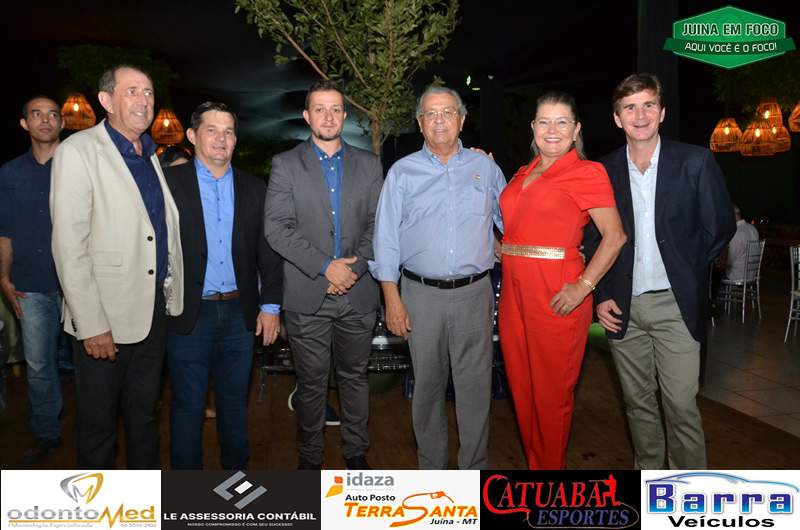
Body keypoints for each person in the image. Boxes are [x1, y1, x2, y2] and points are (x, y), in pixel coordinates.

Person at [583, 73, 735, 469]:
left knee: (681, 404)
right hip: (623, 308)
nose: (640, 115)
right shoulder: (602, 171)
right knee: (637, 404)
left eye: (648, 105)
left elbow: (720, 226)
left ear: (662, 112)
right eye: (630, 107)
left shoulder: (695, 161)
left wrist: (688, 269)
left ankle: (688, 489)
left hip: (676, 306)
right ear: (617, 118)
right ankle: (649, 480)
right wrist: (602, 295)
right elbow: (593, 240)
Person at [50, 64, 184, 469]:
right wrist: (92, 325)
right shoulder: (78, 151)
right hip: (104, 319)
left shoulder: (149, 154)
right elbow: (69, 246)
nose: (144, 100)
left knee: (145, 418)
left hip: (151, 313)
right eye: (132, 91)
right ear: (106, 100)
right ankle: (100, 502)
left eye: (148, 92)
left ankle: (145, 499)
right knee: (99, 428)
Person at [371, 85, 506, 470]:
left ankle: (473, 471)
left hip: (474, 295)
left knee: (475, 389)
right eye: (431, 114)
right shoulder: (402, 173)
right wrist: (392, 297)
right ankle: (432, 474)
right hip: (420, 296)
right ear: (420, 123)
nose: (440, 120)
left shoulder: (485, 168)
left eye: (448, 112)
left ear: (462, 119)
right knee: (427, 389)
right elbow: (385, 238)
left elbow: (513, 220)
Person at [498, 91, 626, 470]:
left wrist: (584, 286)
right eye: (544, 121)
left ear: (576, 129)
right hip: (513, 295)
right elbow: (513, 233)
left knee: (551, 397)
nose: (552, 129)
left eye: (561, 122)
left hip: (556, 292)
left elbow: (615, 236)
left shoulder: (587, 172)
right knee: (522, 391)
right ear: (533, 127)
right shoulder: (522, 173)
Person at [265, 80, 383, 470]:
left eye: (335, 109)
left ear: (344, 116)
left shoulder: (369, 164)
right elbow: (277, 228)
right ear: (306, 116)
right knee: (311, 384)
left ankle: (356, 455)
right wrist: (326, 267)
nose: (328, 117)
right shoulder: (285, 164)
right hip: (307, 294)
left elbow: (379, 225)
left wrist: (354, 269)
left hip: (357, 293)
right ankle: (310, 459)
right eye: (320, 109)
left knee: (355, 378)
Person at [165, 102, 282, 469]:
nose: (221, 139)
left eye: (228, 131)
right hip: (189, 312)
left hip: (239, 314)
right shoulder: (168, 185)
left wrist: (270, 306)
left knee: (233, 403)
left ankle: (236, 482)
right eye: (212, 130)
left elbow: (269, 251)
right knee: (188, 404)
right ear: (192, 135)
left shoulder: (254, 188)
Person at [0, 96, 65, 465]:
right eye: (36, 114)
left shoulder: (78, 167)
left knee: (94, 364)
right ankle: (47, 433)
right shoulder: (9, 174)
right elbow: (5, 232)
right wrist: (4, 277)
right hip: (30, 283)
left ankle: (97, 430)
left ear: (62, 123)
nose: (45, 120)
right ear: (25, 124)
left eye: (52, 114)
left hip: (78, 284)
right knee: (39, 366)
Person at [722, 204, 759, 281]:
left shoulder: (736, 232)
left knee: (715, 273)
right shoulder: (753, 228)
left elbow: (729, 260)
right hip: (752, 276)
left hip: (737, 276)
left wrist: (719, 261)